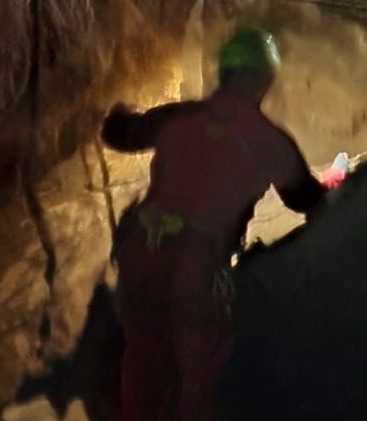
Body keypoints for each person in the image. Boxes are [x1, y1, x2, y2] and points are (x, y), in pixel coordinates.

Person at [103, 27, 327, 421]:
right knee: (200, 367)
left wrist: (115, 114)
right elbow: (306, 199)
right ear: (264, 79)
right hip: (198, 262)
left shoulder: (180, 115)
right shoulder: (268, 140)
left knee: (144, 356)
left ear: (224, 73)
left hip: (144, 252)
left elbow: (119, 135)